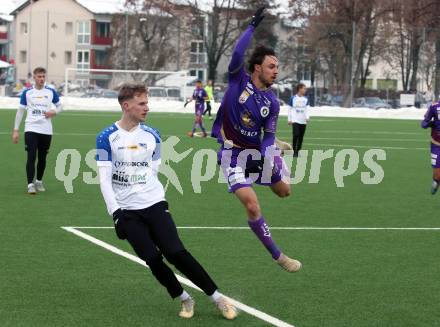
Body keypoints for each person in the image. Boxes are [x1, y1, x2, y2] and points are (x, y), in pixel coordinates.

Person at [96, 82, 237, 320]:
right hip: (127, 212)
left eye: (147, 103)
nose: (146, 108)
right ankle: (184, 298)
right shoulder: (105, 138)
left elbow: (153, 170)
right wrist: (116, 213)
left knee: (176, 252)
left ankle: (217, 298)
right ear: (126, 105)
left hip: (154, 204)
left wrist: (154, 198)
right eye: (142, 104)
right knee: (151, 258)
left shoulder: (153, 135)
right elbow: (104, 179)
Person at [211, 7, 301, 272]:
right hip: (231, 155)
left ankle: (278, 154)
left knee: (285, 192)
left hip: (255, 154)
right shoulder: (238, 80)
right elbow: (238, 53)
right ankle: (279, 256)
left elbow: (267, 135)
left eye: (278, 67)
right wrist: (251, 27)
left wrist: (268, 153)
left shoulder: (272, 103)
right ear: (257, 67)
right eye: (272, 66)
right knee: (252, 205)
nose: (276, 71)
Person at [12, 67, 62, 194]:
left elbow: (60, 106)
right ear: (34, 77)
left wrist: (54, 111)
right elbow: (20, 111)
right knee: (31, 155)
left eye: (43, 76)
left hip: (46, 130)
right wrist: (16, 130)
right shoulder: (27, 93)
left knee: (42, 157)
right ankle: (30, 185)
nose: (42, 79)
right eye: (39, 76)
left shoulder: (51, 92)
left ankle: (39, 181)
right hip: (31, 128)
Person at [421, 99, 440, 194]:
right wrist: (429, 124)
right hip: (436, 145)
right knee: (437, 175)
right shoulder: (434, 106)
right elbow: (423, 123)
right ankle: (437, 180)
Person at [288, 83, 310, 157]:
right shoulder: (293, 98)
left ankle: (298, 150)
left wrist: (307, 117)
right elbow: (289, 109)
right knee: (296, 134)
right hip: (295, 120)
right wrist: (289, 119)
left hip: (303, 121)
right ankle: (294, 150)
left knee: (301, 137)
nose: (305, 90)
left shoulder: (305, 99)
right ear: (300, 89)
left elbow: (307, 109)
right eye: (304, 88)